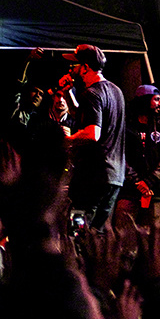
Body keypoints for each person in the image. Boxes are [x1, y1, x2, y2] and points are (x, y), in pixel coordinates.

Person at [61, 44, 126, 229]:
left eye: (74, 64)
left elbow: (92, 133)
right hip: (114, 176)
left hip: (93, 175)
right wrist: (67, 93)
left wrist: (67, 141)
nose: (71, 68)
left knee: (78, 227)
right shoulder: (116, 91)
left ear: (85, 68)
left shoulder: (91, 94)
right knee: (97, 231)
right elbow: (84, 117)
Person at [121, 84, 160, 226]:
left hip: (154, 192)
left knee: (151, 236)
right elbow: (120, 155)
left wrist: (148, 182)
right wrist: (136, 181)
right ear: (144, 100)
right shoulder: (125, 127)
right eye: (156, 99)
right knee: (124, 235)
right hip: (128, 191)